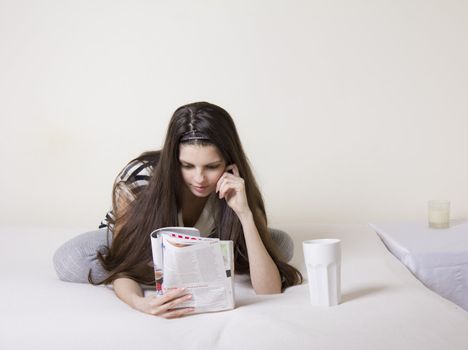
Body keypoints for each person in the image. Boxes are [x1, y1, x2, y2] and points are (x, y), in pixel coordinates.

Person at [53, 101, 303, 318]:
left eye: (212, 166)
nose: (199, 179)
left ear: (228, 161)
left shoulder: (235, 185)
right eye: (187, 165)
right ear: (174, 159)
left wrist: (244, 214)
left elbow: (269, 290)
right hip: (140, 243)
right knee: (71, 258)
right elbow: (124, 263)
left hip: (208, 239)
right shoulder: (140, 178)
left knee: (282, 243)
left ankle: (188, 261)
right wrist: (141, 303)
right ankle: (182, 263)